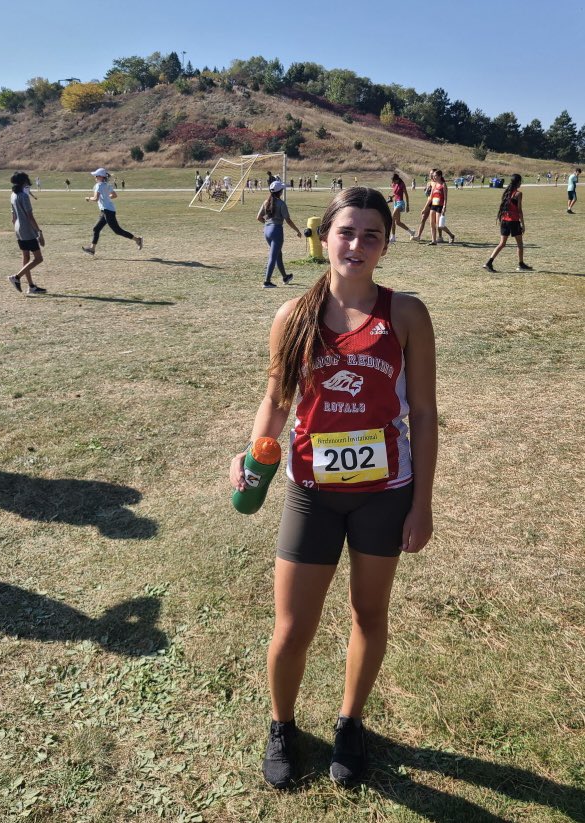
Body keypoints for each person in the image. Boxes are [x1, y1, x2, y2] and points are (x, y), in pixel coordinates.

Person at [230, 186, 437, 790]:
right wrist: (247, 458)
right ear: (325, 236)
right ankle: (283, 726)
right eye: (347, 232)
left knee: (369, 612)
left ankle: (350, 724)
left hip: (384, 493)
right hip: (310, 493)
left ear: (385, 246)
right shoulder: (293, 316)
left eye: (372, 235)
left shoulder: (406, 314)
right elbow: (276, 401)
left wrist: (422, 502)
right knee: (292, 626)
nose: (357, 244)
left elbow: (422, 414)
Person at [82, 168, 142, 256]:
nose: (95, 177)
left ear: (101, 177)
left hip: (107, 211)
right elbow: (114, 195)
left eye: (96, 175)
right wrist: (106, 197)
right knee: (96, 229)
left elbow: (95, 199)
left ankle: (137, 239)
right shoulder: (106, 185)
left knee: (117, 231)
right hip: (106, 210)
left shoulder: (98, 185)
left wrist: (88, 198)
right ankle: (92, 249)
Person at [483, 173, 532, 272]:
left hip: (505, 221)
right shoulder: (518, 194)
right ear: (518, 182)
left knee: (501, 244)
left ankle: (489, 263)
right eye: (520, 181)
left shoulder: (507, 193)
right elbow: (519, 210)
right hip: (514, 221)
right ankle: (520, 264)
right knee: (520, 244)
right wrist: (522, 224)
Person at [7, 171, 46, 296]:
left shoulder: (13, 195)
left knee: (26, 258)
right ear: (24, 181)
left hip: (18, 229)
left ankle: (31, 286)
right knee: (38, 258)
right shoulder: (23, 196)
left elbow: (13, 217)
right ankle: (16, 277)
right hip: (27, 229)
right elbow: (30, 216)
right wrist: (39, 232)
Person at [257, 180, 302, 289]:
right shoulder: (281, 204)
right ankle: (267, 282)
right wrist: (297, 231)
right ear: (280, 192)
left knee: (278, 255)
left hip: (267, 231)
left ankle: (285, 277)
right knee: (273, 256)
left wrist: (268, 224)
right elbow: (288, 220)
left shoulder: (265, 202)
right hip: (276, 231)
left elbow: (258, 217)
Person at [426, 170, 454, 245]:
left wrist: (444, 207)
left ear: (439, 176)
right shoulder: (434, 185)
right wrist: (425, 208)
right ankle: (433, 240)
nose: (433, 177)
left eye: (435, 175)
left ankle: (451, 235)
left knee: (440, 225)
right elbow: (431, 197)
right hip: (433, 206)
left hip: (440, 206)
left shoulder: (443, 185)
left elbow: (445, 198)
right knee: (432, 223)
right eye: (433, 175)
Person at [389, 173, 415, 242]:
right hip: (395, 203)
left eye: (394, 181)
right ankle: (411, 232)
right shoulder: (394, 184)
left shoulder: (402, 184)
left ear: (397, 179)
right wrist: (392, 196)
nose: (393, 182)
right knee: (398, 222)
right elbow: (395, 193)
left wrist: (407, 205)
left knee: (392, 219)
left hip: (400, 203)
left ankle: (393, 237)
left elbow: (406, 195)